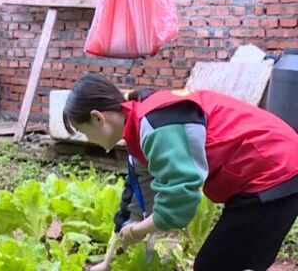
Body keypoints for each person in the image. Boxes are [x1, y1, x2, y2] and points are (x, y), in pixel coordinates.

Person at [62, 75, 298, 271]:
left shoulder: (158, 125)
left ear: (97, 117)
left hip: (275, 170)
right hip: (261, 172)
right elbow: (136, 194)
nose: (88, 139)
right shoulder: (137, 127)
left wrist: (137, 231)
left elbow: (179, 203)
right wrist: (107, 261)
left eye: (84, 132)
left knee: (216, 265)